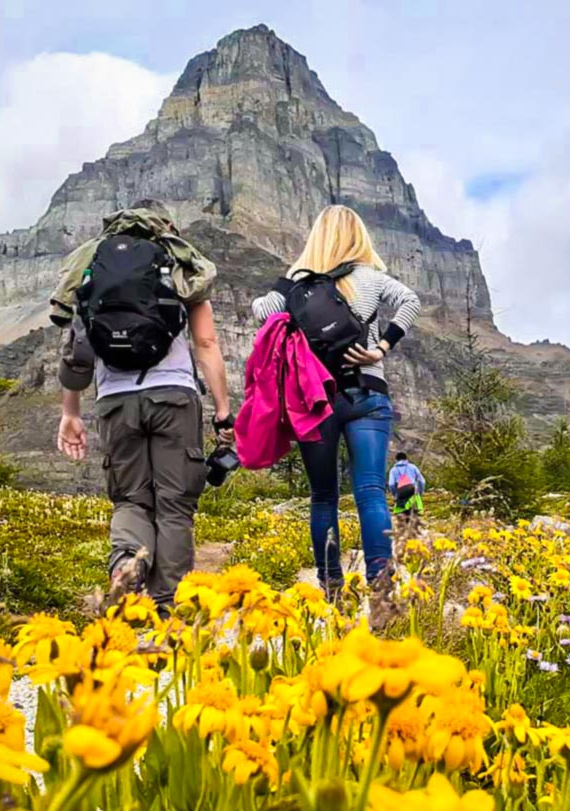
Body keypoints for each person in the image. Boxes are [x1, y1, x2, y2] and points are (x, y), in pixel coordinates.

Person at [53, 201, 233, 615]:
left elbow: (75, 350)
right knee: (174, 504)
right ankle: (169, 609)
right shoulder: (177, 261)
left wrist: (72, 413)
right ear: (166, 226)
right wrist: (223, 411)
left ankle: (126, 571)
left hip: (115, 401)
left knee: (131, 501)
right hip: (174, 396)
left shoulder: (92, 267)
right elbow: (206, 344)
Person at [252, 205, 420, 591]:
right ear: (358, 236)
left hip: (317, 402)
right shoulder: (372, 277)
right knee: (371, 491)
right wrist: (381, 347)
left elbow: (263, 312)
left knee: (324, 496)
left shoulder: (299, 282)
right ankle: (381, 585)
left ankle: (331, 588)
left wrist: (293, 274)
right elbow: (410, 300)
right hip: (368, 393)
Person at [388, 451, 425, 517]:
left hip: (401, 497)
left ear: (396, 460)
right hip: (414, 495)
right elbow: (422, 481)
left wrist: (395, 494)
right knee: (416, 518)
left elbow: (391, 484)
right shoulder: (413, 467)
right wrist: (420, 492)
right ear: (406, 459)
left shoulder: (393, 470)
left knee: (401, 520)